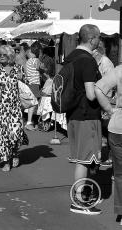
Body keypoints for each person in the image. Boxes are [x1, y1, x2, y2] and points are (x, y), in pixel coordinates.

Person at [65, 24, 102, 215]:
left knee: (83, 159)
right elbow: (90, 94)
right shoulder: (87, 61)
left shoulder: (71, 57)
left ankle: (83, 194)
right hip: (86, 115)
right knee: (84, 160)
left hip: (73, 114)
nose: (99, 40)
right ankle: (80, 201)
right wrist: (106, 98)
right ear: (92, 38)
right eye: (98, 37)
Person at [0, 45, 28, 172]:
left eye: (3, 55)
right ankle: (6, 161)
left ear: (10, 56)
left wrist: (22, 78)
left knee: (14, 134)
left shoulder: (18, 68)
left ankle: (14, 152)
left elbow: (24, 85)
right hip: (0, 108)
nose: (1, 57)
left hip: (15, 108)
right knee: (3, 135)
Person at [94, 64, 122, 225]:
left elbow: (98, 88)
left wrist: (109, 109)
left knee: (119, 173)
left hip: (118, 126)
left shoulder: (119, 70)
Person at [25, 41, 42, 131]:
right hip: (35, 84)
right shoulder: (36, 60)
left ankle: (30, 121)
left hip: (29, 83)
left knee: (32, 103)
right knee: (33, 103)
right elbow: (41, 68)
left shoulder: (28, 61)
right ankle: (29, 122)